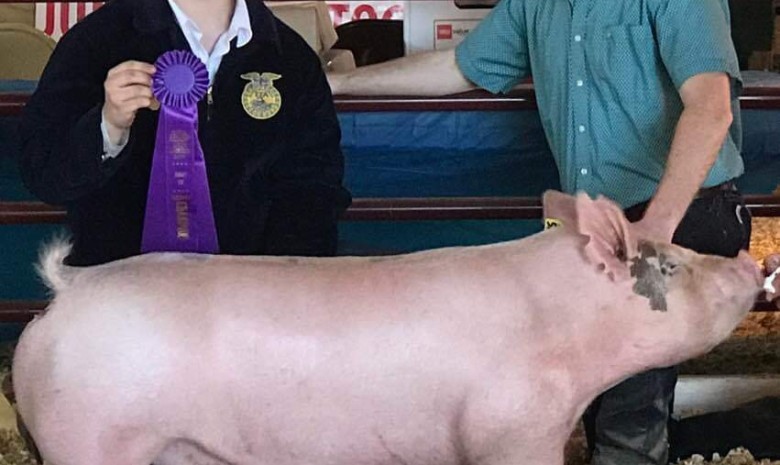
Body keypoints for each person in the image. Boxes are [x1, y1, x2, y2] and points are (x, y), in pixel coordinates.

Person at [328, 1, 750, 464]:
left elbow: (711, 110)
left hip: (684, 210)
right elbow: (460, 66)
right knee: (597, 384)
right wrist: (339, 83)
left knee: (629, 393)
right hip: (606, 228)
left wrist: (656, 228)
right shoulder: (536, 4)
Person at [19, 0, 351, 267]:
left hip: (248, 308)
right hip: (124, 302)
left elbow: (315, 188)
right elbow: (44, 171)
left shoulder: (291, 57)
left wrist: (275, 283)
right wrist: (108, 126)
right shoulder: (96, 42)